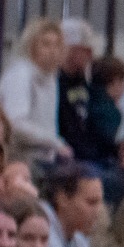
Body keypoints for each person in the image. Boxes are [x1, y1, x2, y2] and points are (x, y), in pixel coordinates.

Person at [0, 22, 67, 169]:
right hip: (19, 157)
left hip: (44, 156)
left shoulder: (50, 78)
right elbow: (16, 123)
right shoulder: (20, 74)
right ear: (31, 47)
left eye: (57, 45)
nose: (53, 51)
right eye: (46, 44)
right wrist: (55, 142)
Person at [38, 167, 99, 247]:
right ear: (63, 199)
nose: (97, 212)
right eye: (91, 203)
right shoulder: (41, 229)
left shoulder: (78, 237)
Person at [51, 25, 95, 168]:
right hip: (65, 154)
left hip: (85, 153)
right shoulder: (55, 82)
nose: (91, 56)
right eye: (86, 51)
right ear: (69, 49)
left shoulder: (82, 79)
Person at [82, 60, 124, 164]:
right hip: (98, 160)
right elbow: (108, 140)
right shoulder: (109, 110)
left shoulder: (85, 95)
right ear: (116, 81)